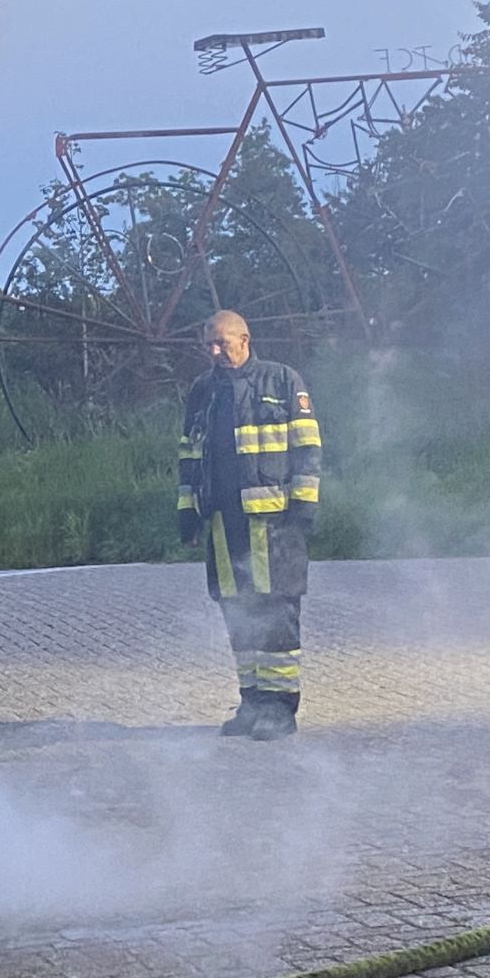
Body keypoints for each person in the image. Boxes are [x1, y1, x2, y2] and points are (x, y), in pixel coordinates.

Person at [176, 310, 320, 741]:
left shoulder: (282, 381)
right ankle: (252, 702)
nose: (214, 351)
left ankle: (279, 709)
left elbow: (307, 446)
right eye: (209, 344)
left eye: (221, 342)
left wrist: (304, 505)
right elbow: (189, 454)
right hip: (224, 523)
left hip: (274, 523)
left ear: (245, 339)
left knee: (276, 612)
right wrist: (187, 510)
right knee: (237, 612)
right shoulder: (203, 391)